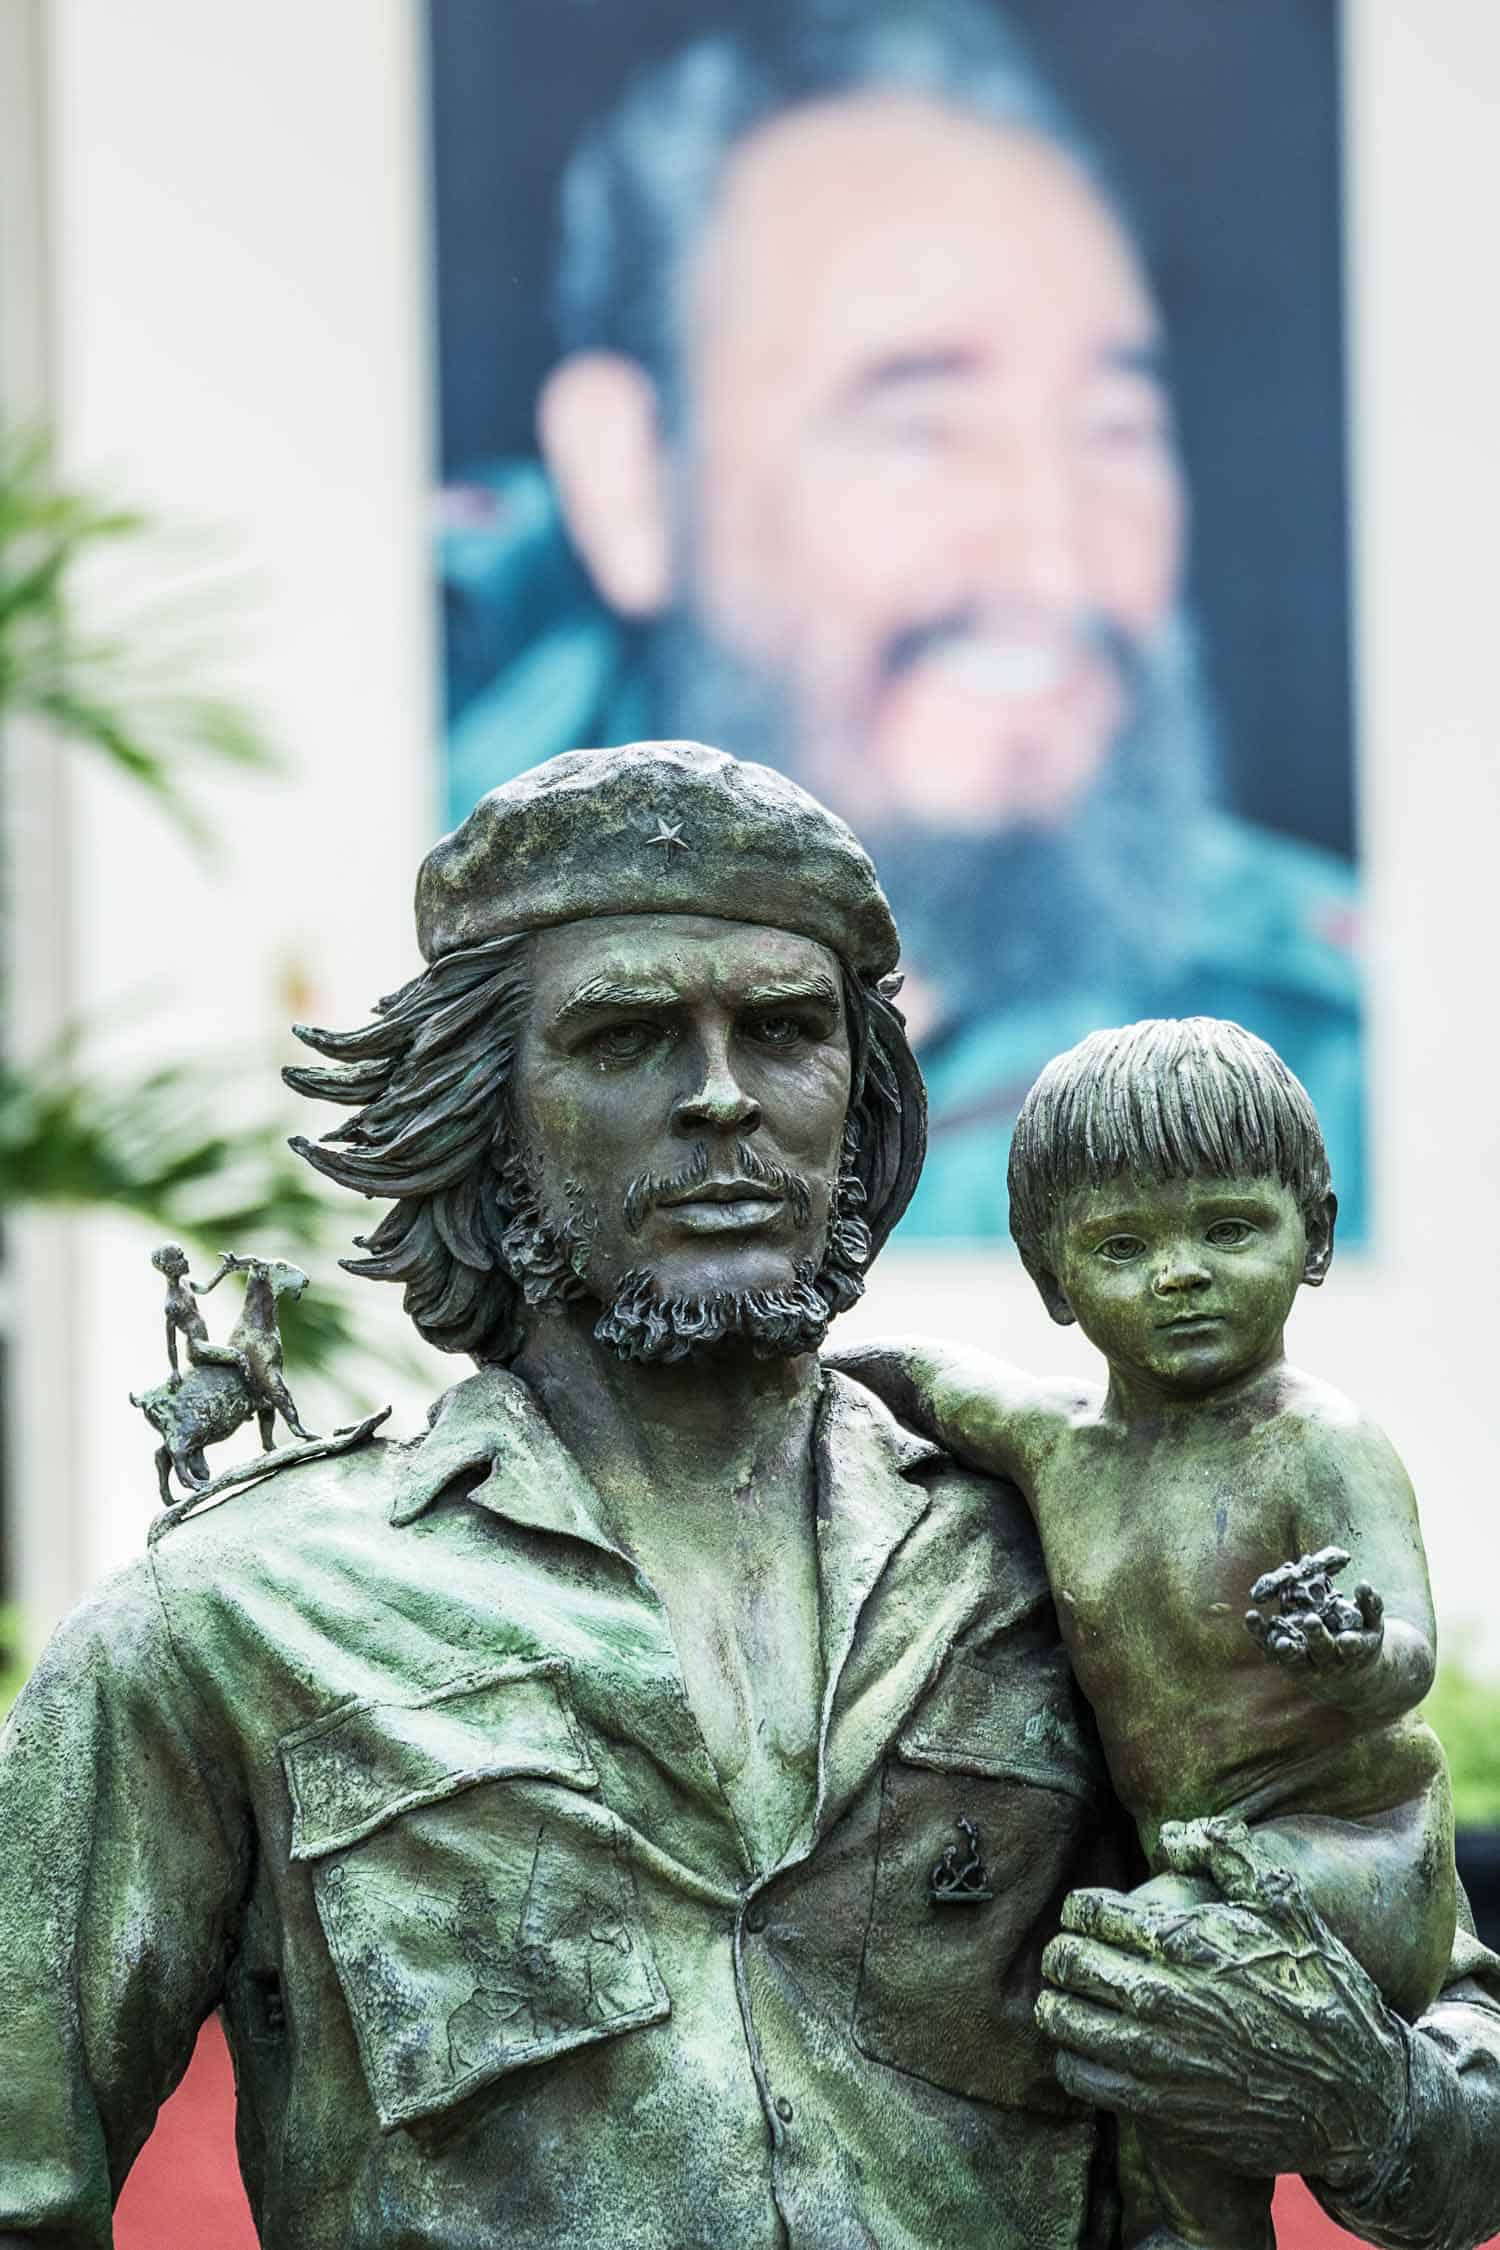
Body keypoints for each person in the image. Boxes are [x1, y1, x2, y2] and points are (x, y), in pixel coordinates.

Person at [0, 746, 1489, 2250]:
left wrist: (1367, 2102)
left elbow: (1459, 2067)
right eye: (628, 1036)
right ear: (489, 1107)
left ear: (859, 1092)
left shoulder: (1067, 1551)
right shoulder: (232, 1621)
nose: (723, 1098)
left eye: (783, 1032)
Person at [439, 0, 1365, 1240]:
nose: (1052, 553)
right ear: (631, 482)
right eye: (919, 425)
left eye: (1115, 431)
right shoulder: (397, 935)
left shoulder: (1338, 1045)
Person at [833, 1014, 1454, 2247]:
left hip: (1356, 1850)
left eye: (1230, 1229)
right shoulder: (1060, 1447)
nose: (1181, 1273)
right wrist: (788, 1367)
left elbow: (1407, 1660)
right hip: (1196, 1861)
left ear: (1314, 1234)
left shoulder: (1318, 1445)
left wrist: (1346, 1650)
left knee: (1154, 1978)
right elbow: (926, 1375)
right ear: (1052, 1278)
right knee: (1162, 2112)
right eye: (1125, 1245)